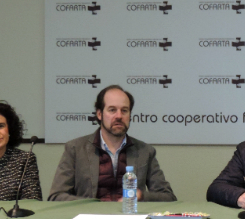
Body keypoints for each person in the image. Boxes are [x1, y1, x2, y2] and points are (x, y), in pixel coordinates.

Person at [48, 85, 176, 201]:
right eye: (112, 110)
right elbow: (56, 195)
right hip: (90, 217)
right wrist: (91, 206)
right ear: (99, 114)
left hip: (129, 217)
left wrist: (141, 196)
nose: (119, 116)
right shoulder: (75, 149)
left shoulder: (145, 151)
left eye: (124, 110)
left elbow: (168, 196)